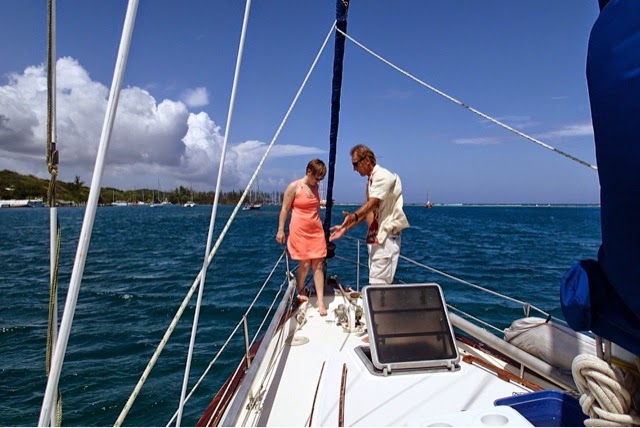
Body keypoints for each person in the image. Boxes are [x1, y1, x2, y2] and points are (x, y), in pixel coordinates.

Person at [330, 144, 409, 284]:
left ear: (366, 160)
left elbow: (371, 204)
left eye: (355, 164)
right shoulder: (372, 180)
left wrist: (353, 216)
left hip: (385, 241)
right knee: (378, 283)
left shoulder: (382, 177)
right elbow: (367, 211)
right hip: (378, 240)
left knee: (378, 284)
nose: (354, 169)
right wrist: (345, 227)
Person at [276, 159, 328, 316]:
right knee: (305, 264)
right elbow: (284, 209)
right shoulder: (294, 187)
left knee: (318, 264)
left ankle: (320, 300)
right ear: (309, 172)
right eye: (317, 178)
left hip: (316, 230)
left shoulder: (315, 187)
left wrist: (323, 202)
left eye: (320, 179)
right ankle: (300, 288)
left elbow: (312, 203)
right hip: (300, 230)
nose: (318, 181)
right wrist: (280, 230)